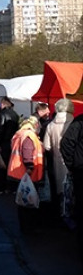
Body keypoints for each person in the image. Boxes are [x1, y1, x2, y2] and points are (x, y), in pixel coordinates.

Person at [7, 116, 44, 233]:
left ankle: (25, 227)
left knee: (23, 202)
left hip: (19, 173)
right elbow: (27, 153)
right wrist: (30, 167)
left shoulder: (19, 134)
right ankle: (30, 228)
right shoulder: (29, 135)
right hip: (28, 174)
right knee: (29, 201)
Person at [44, 99, 75, 222]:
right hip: (73, 162)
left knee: (60, 189)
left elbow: (47, 146)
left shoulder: (51, 125)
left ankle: (61, 214)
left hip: (57, 161)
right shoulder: (74, 122)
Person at [60, 111, 83, 261]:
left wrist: (73, 167)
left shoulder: (79, 121)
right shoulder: (79, 122)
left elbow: (66, 143)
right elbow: (66, 144)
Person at [0, 96, 20, 184]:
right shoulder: (15, 114)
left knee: (2, 165)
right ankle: (12, 184)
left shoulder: (2, 114)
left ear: (3, 104)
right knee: (12, 163)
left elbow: (0, 129)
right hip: (13, 142)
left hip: (4, 142)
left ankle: (3, 185)